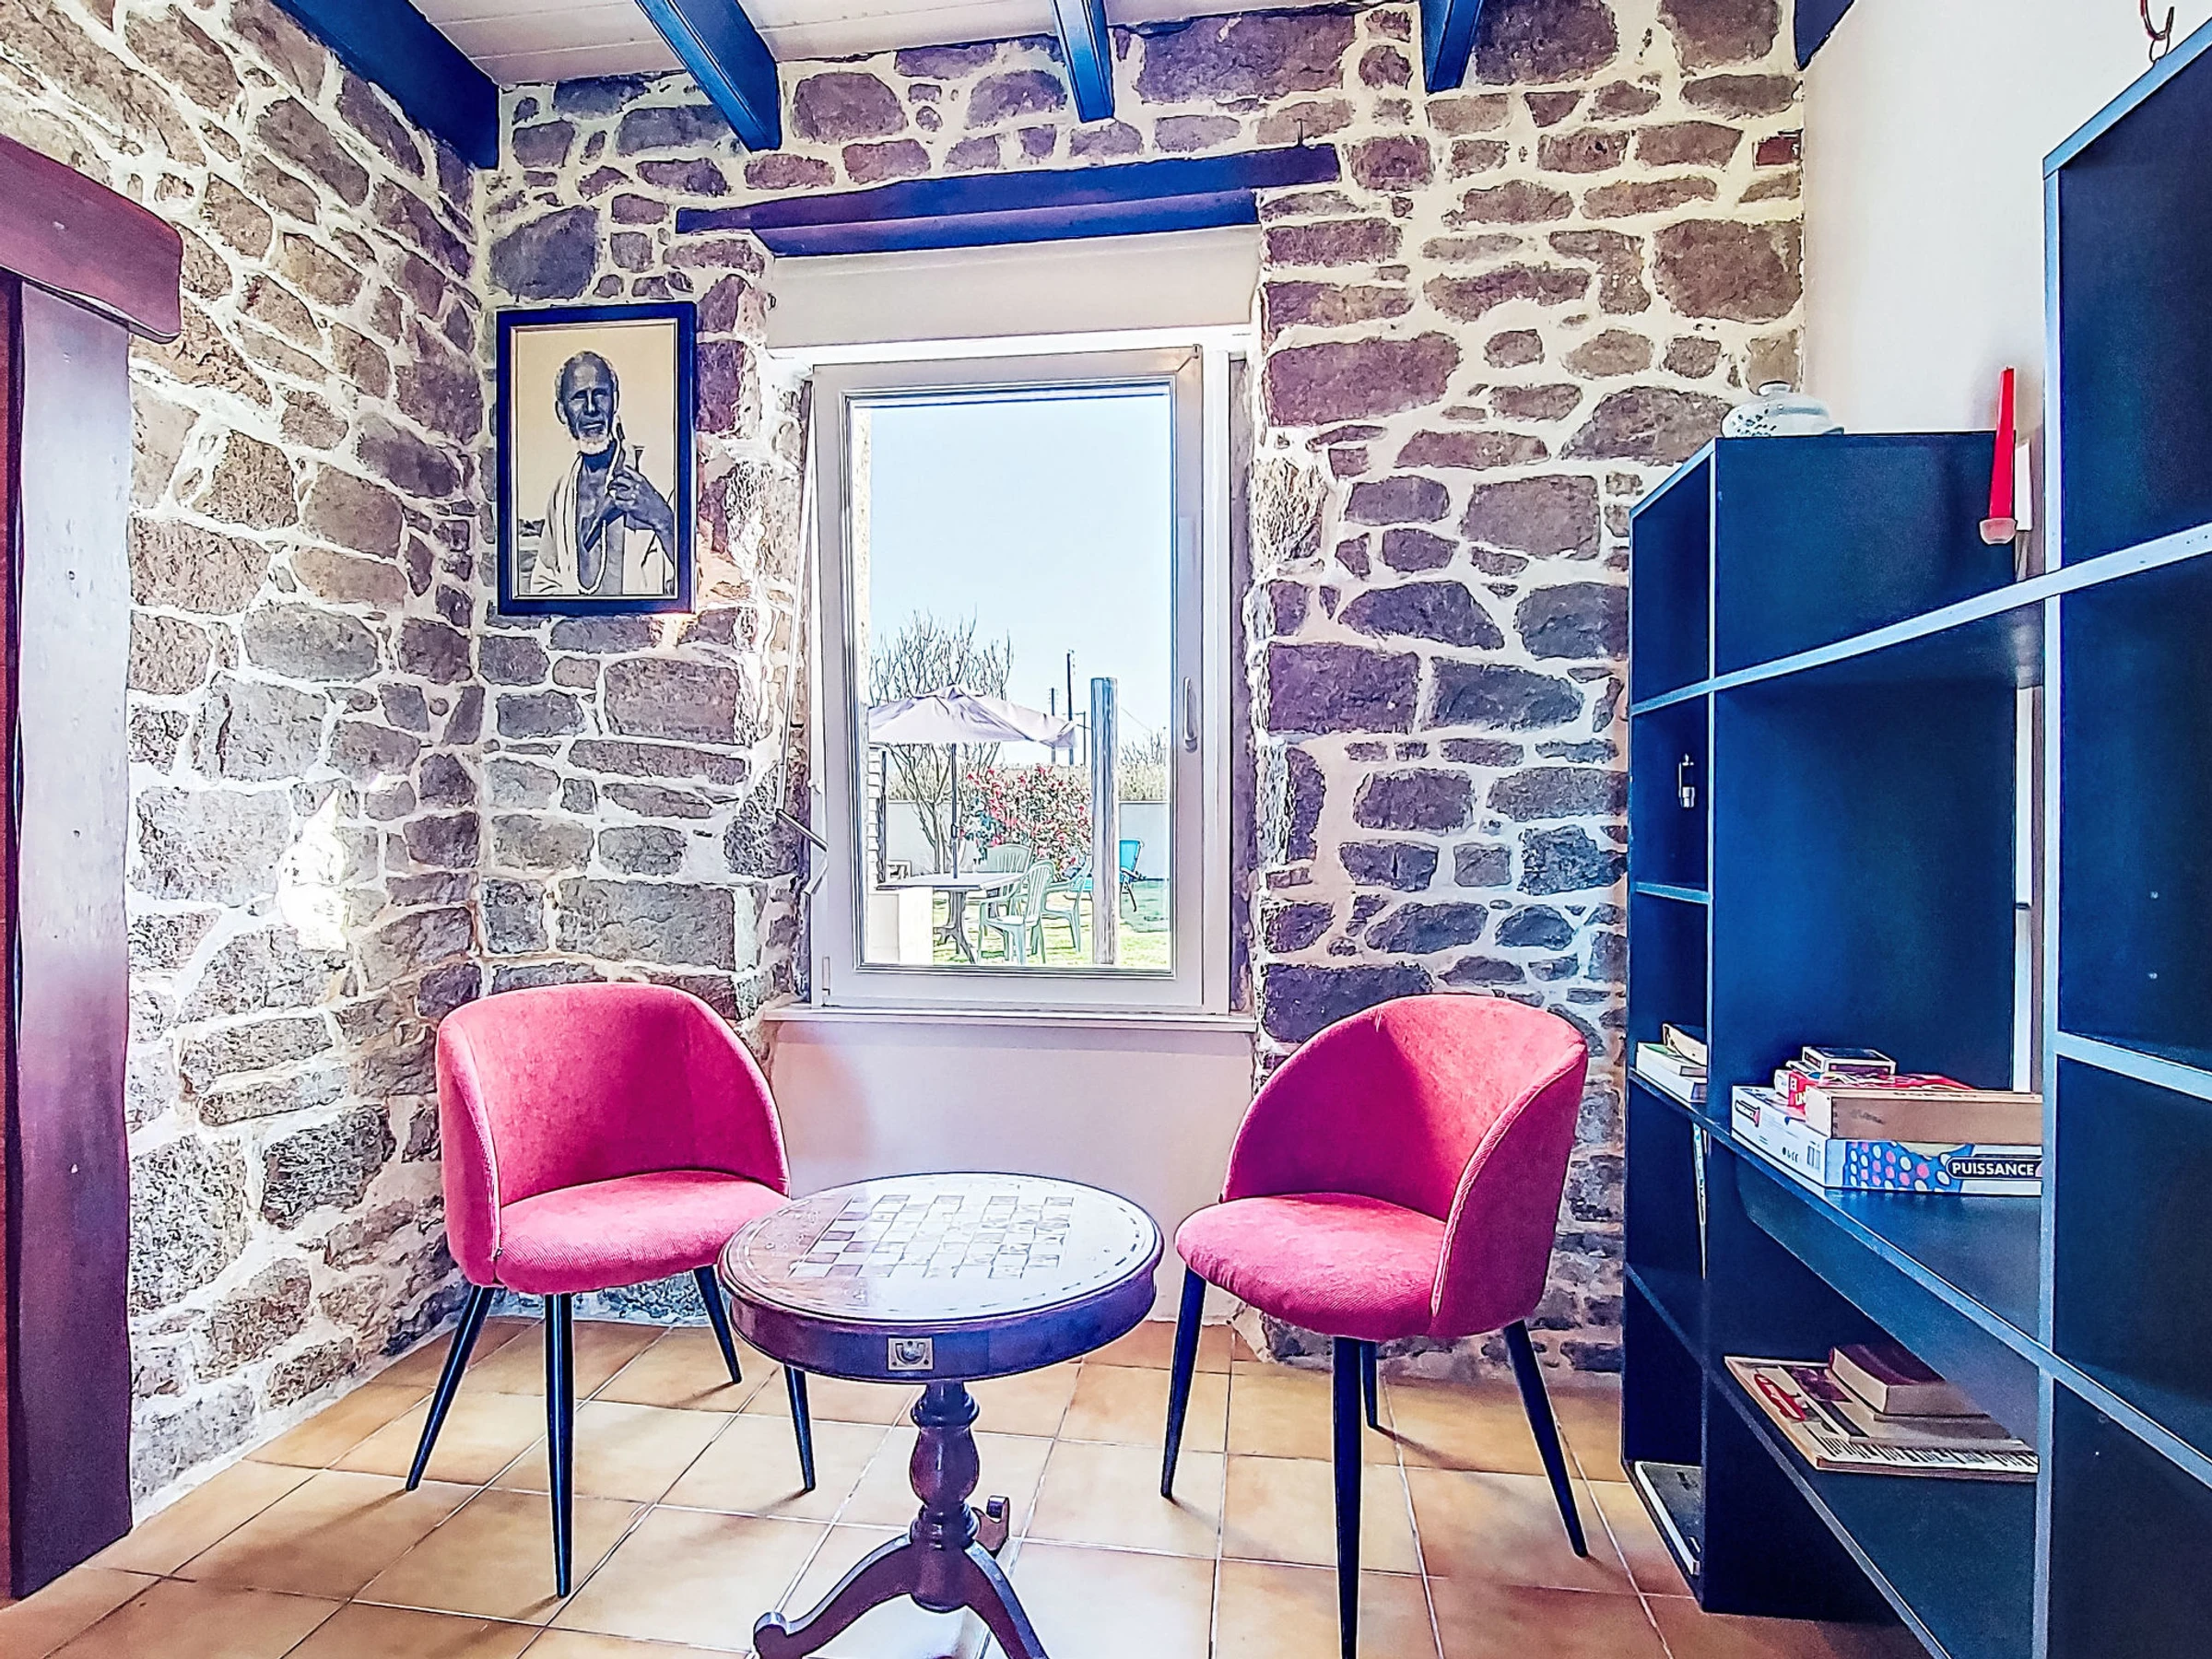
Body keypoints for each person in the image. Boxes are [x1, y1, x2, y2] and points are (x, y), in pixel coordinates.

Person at [527, 350, 677, 597]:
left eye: (600, 394)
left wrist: (661, 518)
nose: (591, 408)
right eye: (578, 397)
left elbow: (695, 579)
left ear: (615, 401)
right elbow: (544, 583)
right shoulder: (562, 494)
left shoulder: (658, 478)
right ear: (562, 412)